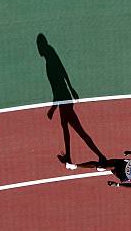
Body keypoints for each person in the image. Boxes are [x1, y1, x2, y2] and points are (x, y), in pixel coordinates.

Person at [36, 33, 106, 165]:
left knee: (79, 131)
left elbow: (60, 79)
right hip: (64, 99)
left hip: (64, 100)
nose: (38, 49)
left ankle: (101, 156)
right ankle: (69, 156)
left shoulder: (50, 58)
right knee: (66, 128)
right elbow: (59, 82)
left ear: (42, 46)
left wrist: (53, 108)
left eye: (39, 46)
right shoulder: (49, 58)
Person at [67, 150, 131, 187]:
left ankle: (103, 166)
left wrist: (117, 185)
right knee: (103, 165)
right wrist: (129, 152)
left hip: (122, 175)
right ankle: (75, 166)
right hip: (122, 163)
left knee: (106, 166)